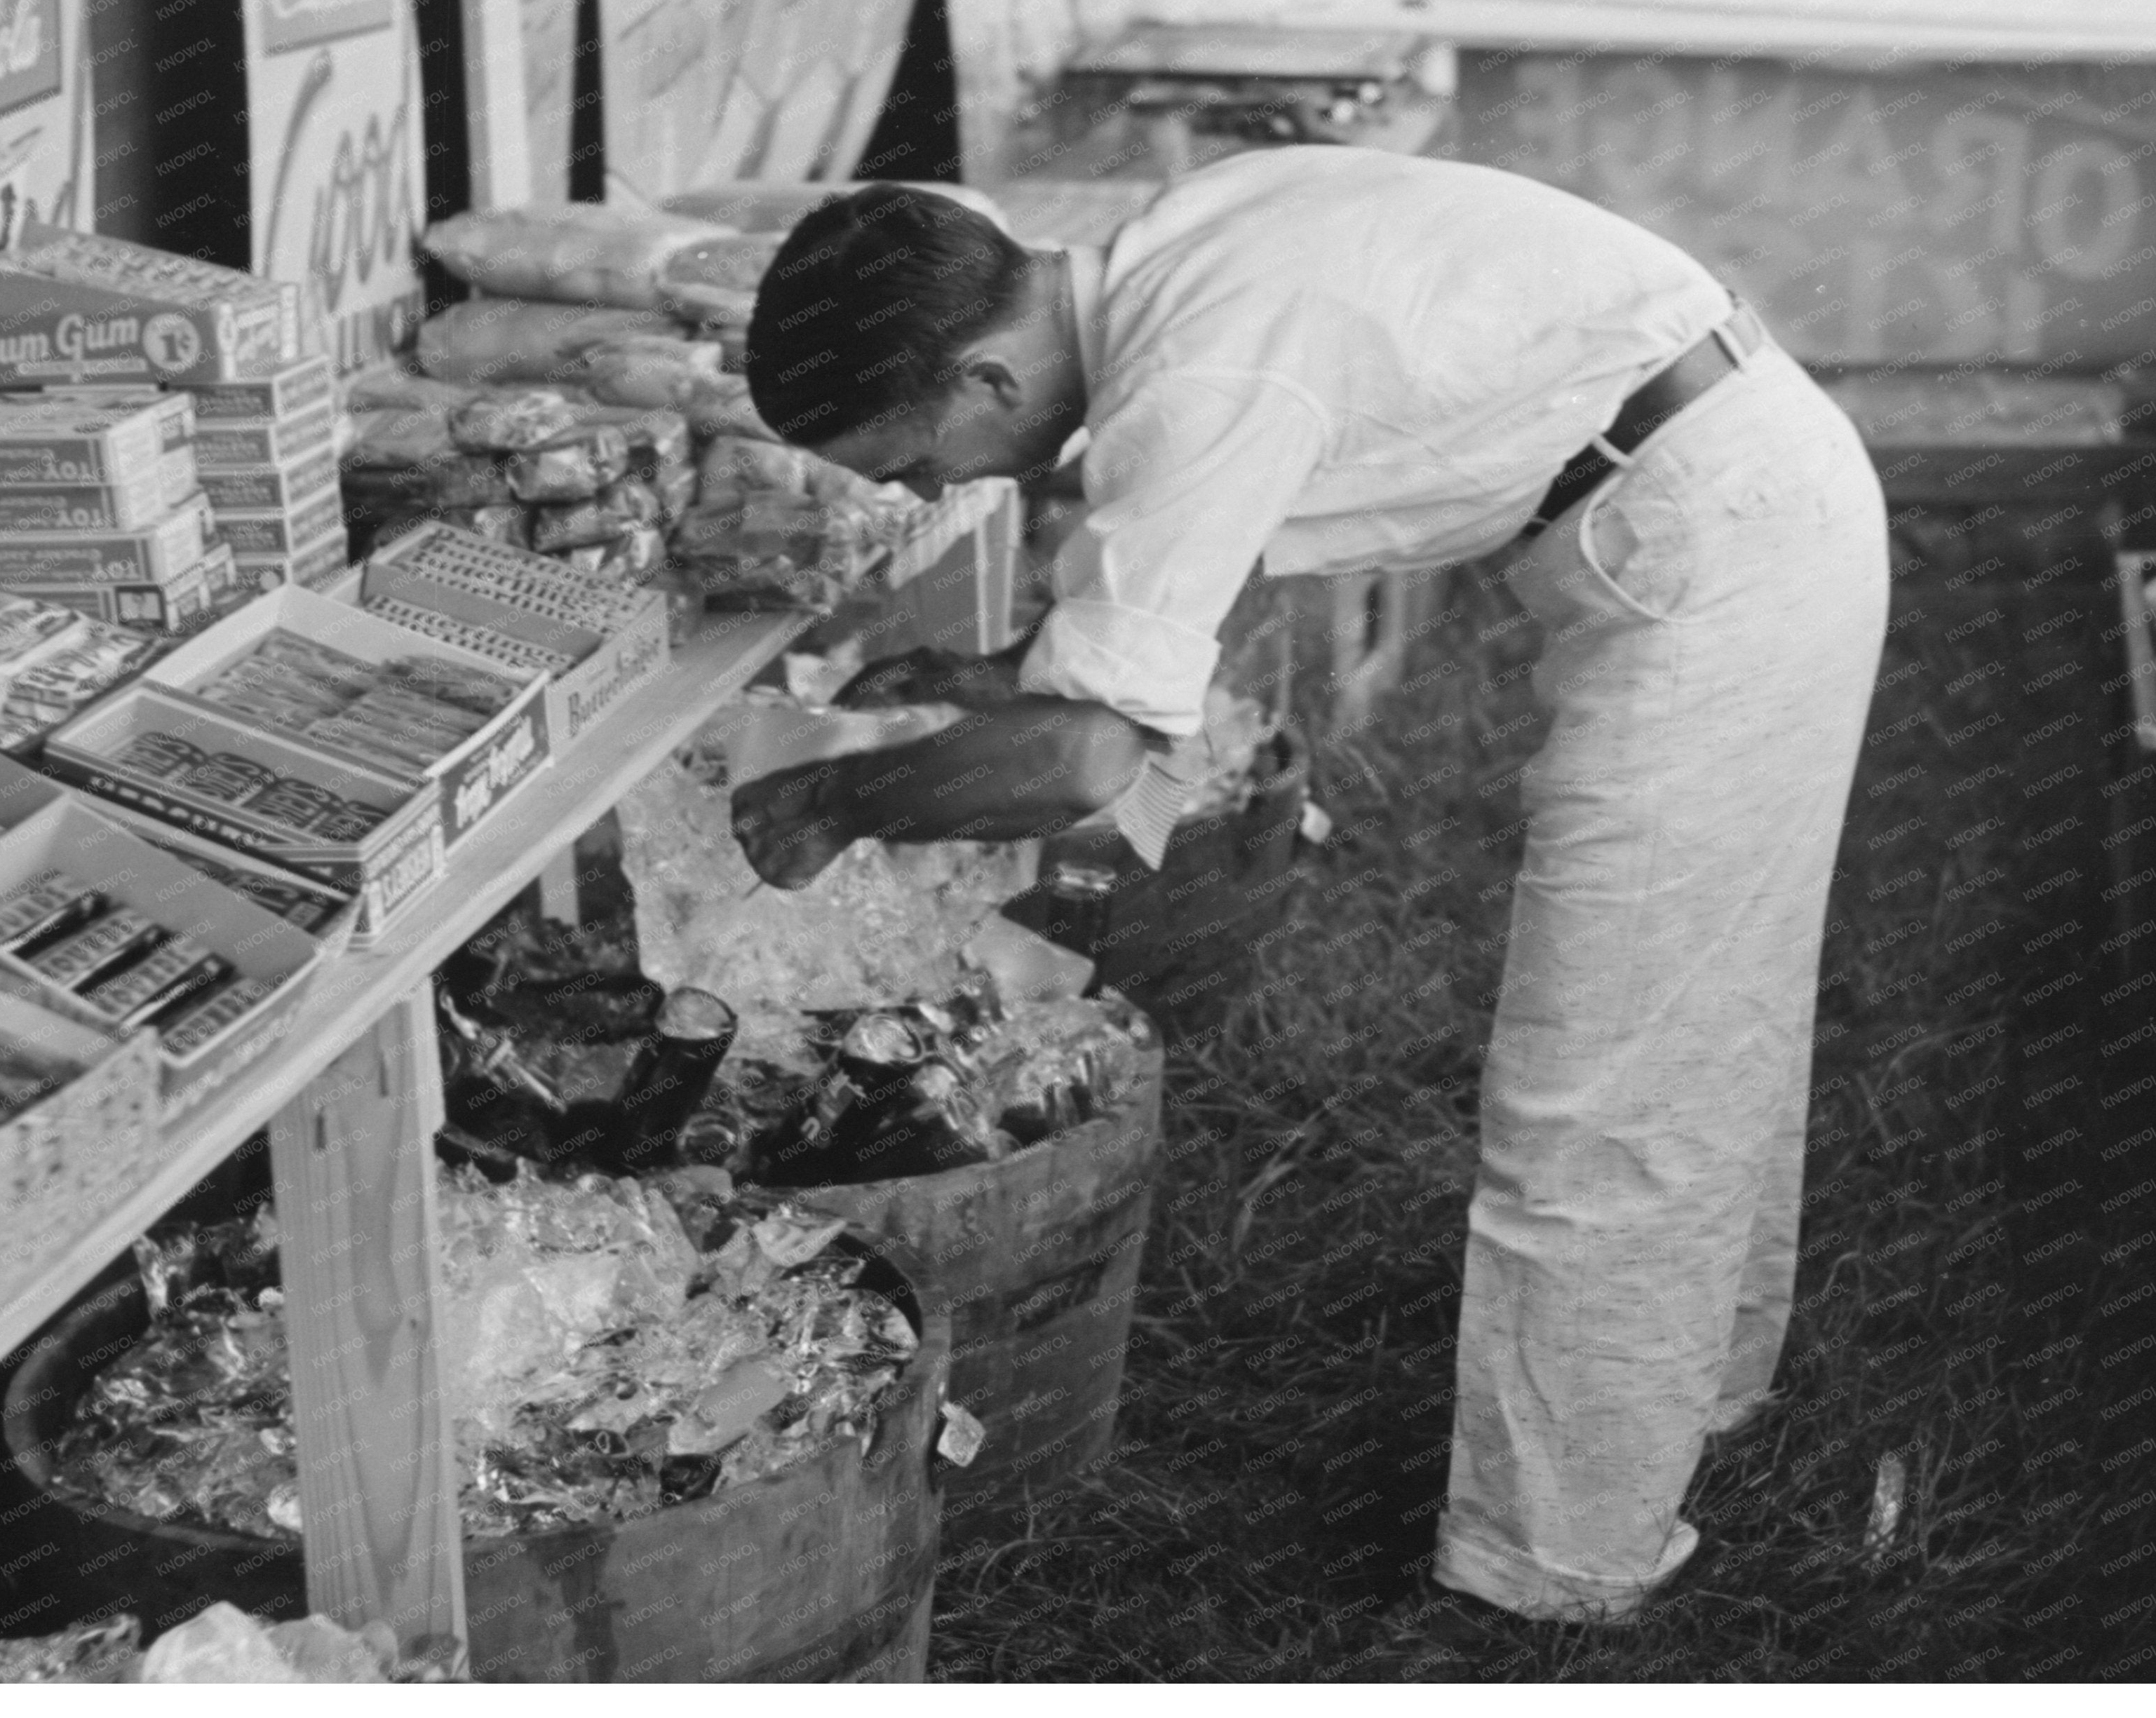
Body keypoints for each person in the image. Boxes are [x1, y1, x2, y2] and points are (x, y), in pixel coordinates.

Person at [729, 147, 1889, 1625]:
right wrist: (993, 674)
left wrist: (838, 797)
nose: (933, 491)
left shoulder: (1193, 375)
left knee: (1599, 1086)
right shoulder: (1170, 252)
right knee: (1706, 1004)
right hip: (1718, 487)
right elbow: (1162, 600)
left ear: (981, 381)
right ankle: (1696, 1394)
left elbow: (1087, 760)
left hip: (1721, 544)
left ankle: (1556, 1567)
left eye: (913, 460)